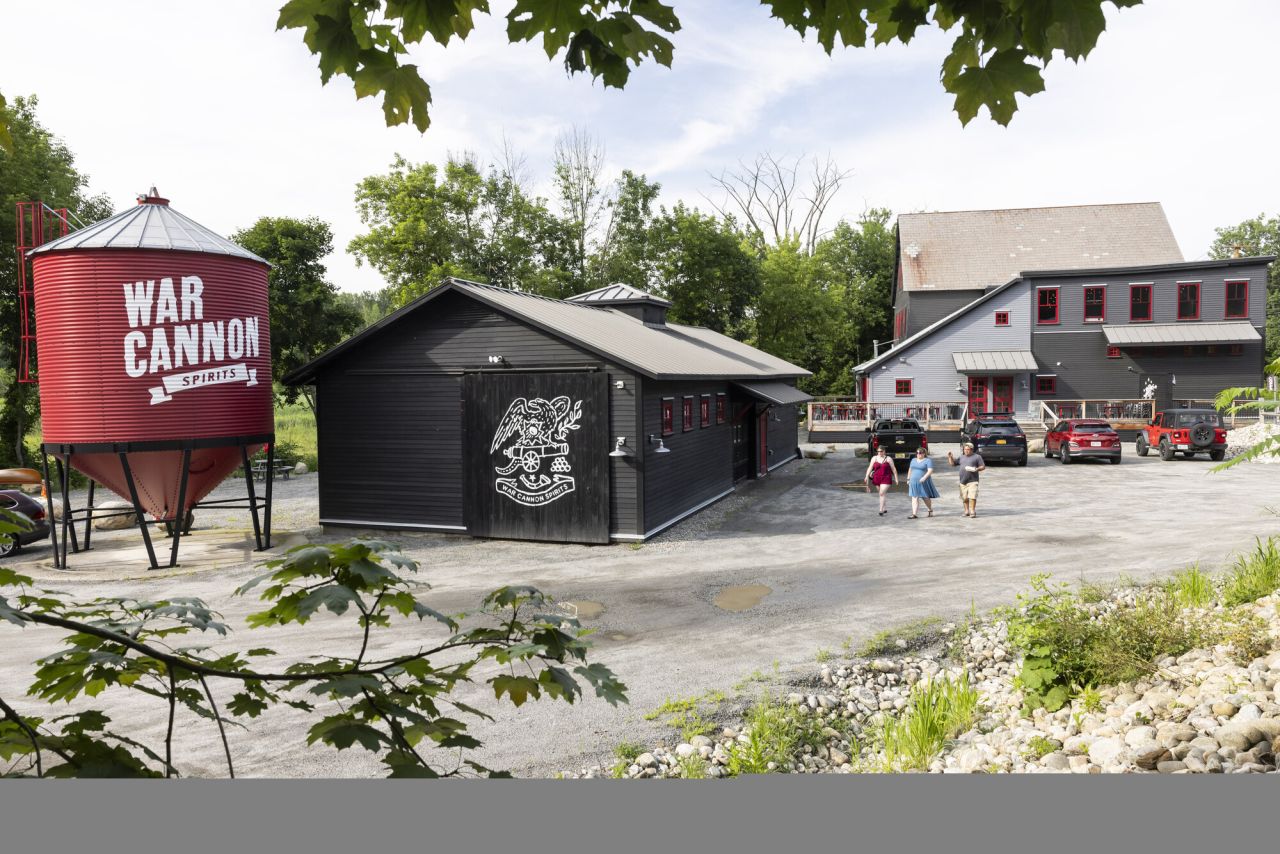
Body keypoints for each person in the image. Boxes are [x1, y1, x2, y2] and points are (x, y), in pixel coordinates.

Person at [947, 442, 986, 518]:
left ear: (971, 449)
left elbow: (983, 466)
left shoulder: (977, 457)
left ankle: (972, 511)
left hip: (973, 480)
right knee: (964, 498)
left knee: (972, 496)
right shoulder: (962, 457)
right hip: (963, 481)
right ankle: (966, 511)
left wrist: (976, 469)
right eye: (965, 449)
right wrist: (950, 457)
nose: (966, 451)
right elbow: (953, 464)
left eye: (968, 449)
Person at [863, 445, 899, 517]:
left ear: (884, 451)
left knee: (881, 493)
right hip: (877, 478)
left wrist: (896, 478)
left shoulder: (888, 459)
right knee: (881, 494)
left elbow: (894, 469)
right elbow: (870, 467)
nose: (879, 453)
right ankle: (884, 508)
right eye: (878, 451)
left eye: (881, 451)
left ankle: (881, 510)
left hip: (886, 478)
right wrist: (866, 476)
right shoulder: (874, 458)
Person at [906, 447, 939, 518]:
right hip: (913, 481)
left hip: (923, 481)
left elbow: (930, 470)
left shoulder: (928, 460)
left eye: (920, 453)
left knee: (925, 497)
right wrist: (908, 479)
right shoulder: (913, 460)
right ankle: (914, 514)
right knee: (914, 497)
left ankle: (930, 509)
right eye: (917, 453)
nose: (918, 454)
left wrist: (924, 477)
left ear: (924, 454)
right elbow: (910, 469)